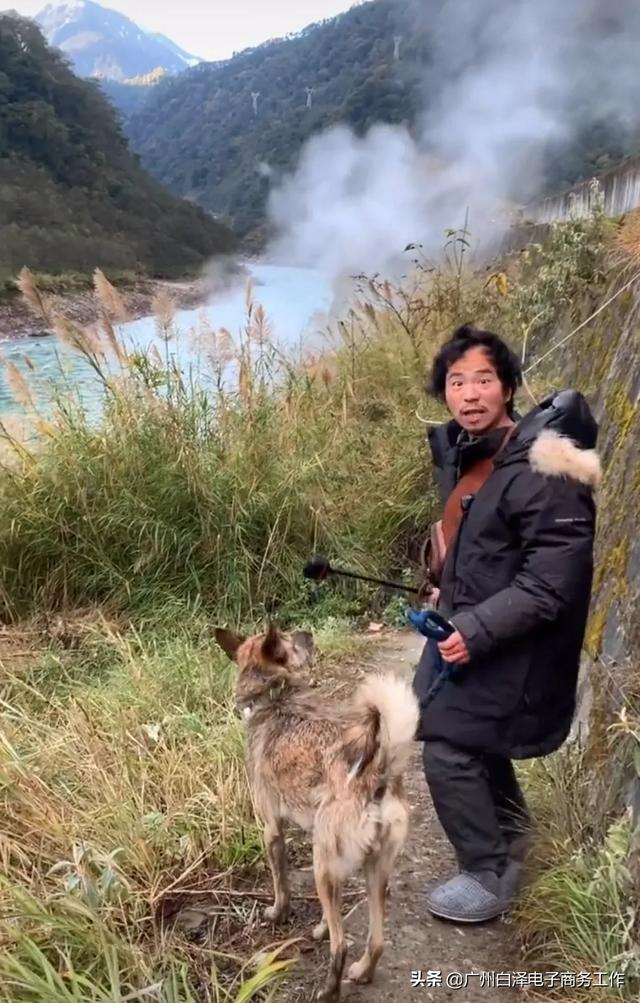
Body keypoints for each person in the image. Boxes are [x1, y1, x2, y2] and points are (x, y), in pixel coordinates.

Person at [413, 323, 601, 923]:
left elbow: (553, 580)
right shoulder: (474, 452)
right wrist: (446, 582)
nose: (469, 394)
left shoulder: (546, 466)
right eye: (456, 381)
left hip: (517, 649)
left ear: (510, 386)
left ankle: (487, 871)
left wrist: (479, 630)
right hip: (474, 625)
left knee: (447, 746)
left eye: (483, 380)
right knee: (465, 736)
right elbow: (485, 544)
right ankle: (517, 840)